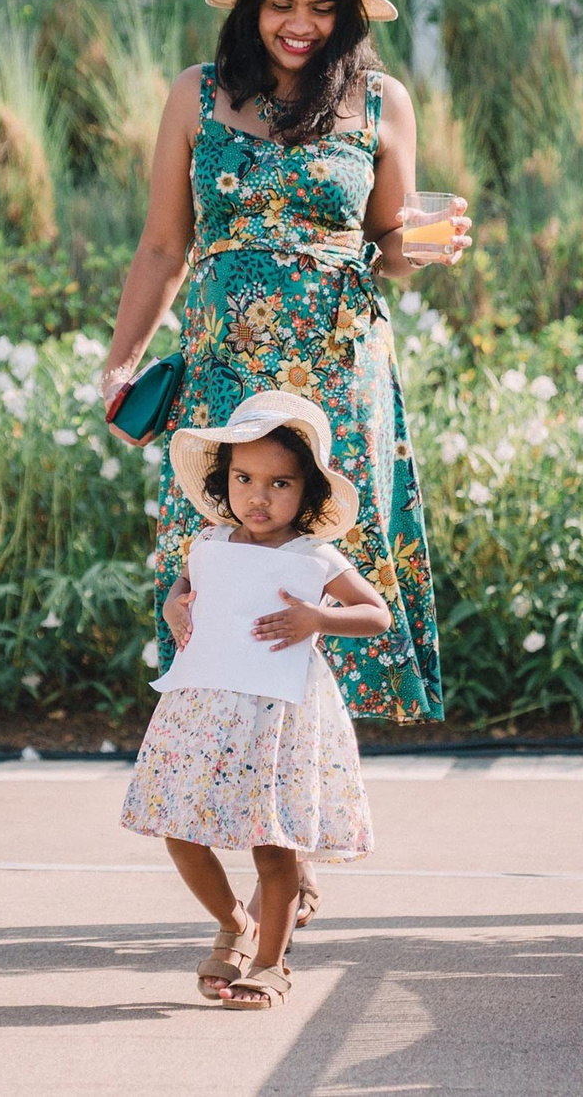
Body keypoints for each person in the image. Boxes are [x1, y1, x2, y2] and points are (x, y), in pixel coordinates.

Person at [97, 0, 471, 925]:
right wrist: (122, 359)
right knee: (224, 591)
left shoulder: (382, 102)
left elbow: (390, 243)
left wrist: (422, 244)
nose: (299, 24)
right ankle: (270, 847)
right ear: (251, 6)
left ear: (347, 15)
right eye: (280, 4)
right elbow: (163, 245)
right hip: (226, 382)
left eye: (320, 7)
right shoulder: (196, 94)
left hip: (339, 381)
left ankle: (287, 838)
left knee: (314, 588)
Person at [119, 392, 389, 1010]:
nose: (258, 497)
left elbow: (375, 613)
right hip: (201, 710)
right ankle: (235, 924)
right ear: (225, 479)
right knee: (179, 829)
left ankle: (270, 963)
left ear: (308, 491)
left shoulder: (312, 555)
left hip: (277, 716)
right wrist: (175, 603)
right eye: (244, 479)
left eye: (279, 484)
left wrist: (318, 618)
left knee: (272, 841)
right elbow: (186, 586)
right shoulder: (209, 541)